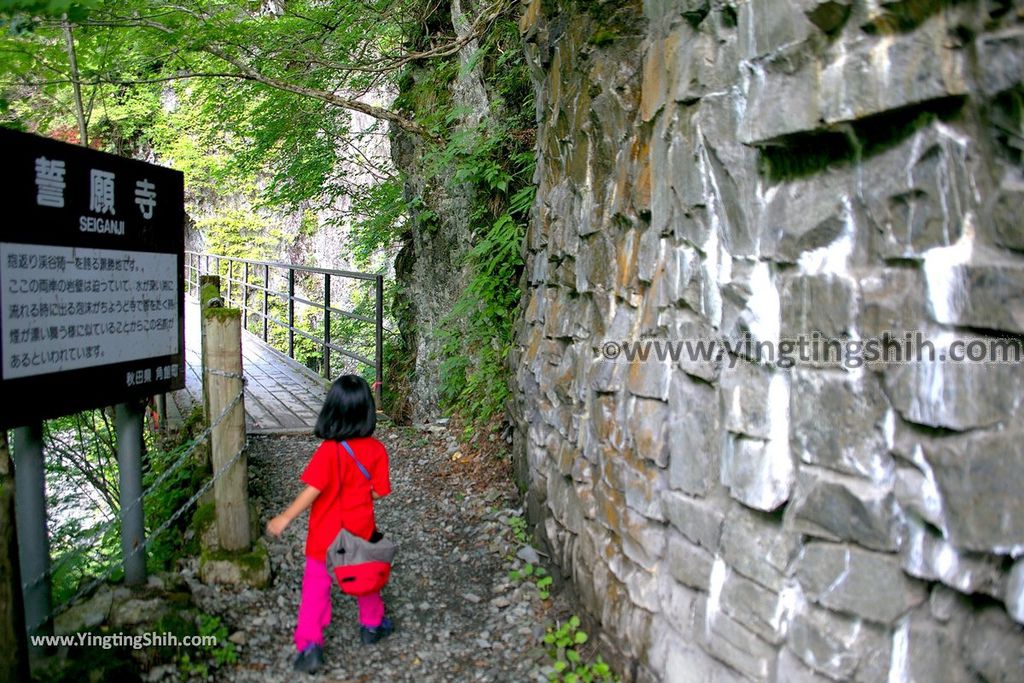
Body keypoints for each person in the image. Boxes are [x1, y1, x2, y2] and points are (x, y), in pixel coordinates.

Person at [266, 374, 393, 673]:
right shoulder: (376, 451)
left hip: (324, 535)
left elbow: (313, 491)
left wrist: (285, 517)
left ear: (331, 410)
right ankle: (372, 626)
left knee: (316, 588)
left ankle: (310, 646)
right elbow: (379, 491)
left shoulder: (329, 452)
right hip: (359, 529)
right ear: (368, 411)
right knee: (365, 576)